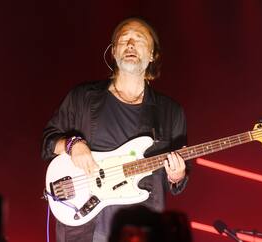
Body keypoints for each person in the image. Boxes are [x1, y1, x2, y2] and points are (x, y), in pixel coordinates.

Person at [42, 17, 190, 242]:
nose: (130, 44)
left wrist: (177, 175)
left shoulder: (171, 112)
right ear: (113, 52)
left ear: (152, 55)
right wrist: (72, 145)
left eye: (139, 39)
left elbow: (176, 183)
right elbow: (48, 143)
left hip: (140, 227)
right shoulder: (83, 97)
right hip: (84, 223)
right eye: (124, 39)